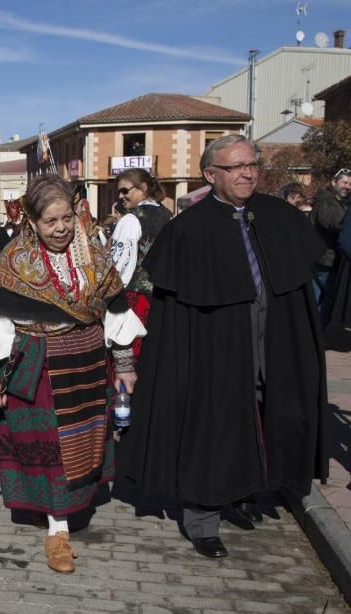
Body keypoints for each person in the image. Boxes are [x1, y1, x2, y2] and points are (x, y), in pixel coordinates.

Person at [119, 136, 328, 559]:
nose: (247, 173)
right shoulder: (188, 230)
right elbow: (172, 313)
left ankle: (248, 490)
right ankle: (202, 520)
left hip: (276, 340)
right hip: (216, 348)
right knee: (212, 424)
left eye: (252, 164)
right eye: (235, 167)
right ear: (210, 175)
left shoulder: (279, 216)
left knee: (269, 413)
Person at [0, 174, 140, 573]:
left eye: (67, 219)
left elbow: (116, 307)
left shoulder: (93, 251)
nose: (61, 229)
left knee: (83, 443)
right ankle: (59, 531)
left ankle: (58, 509)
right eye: (50, 221)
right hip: (40, 366)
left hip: (89, 364)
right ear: (32, 222)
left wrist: (124, 364)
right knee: (53, 448)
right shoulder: (14, 260)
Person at [110, 168, 172, 358]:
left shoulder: (131, 219)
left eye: (125, 190)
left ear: (143, 188)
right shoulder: (168, 215)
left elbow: (118, 265)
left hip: (134, 297)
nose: (120, 196)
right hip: (163, 295)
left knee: (128, 354)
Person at [309, 168, 351, 308]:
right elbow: (331, 222)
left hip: (327, 258)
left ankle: (313, 327)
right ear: (334, 182)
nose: (347, 187)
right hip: (325, 259)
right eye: (344, 182)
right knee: (325, 300)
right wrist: (347, 223)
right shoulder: (326, 200)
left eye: (350, 184)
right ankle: (316, 328)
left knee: (320, 298)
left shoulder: (338, 201)